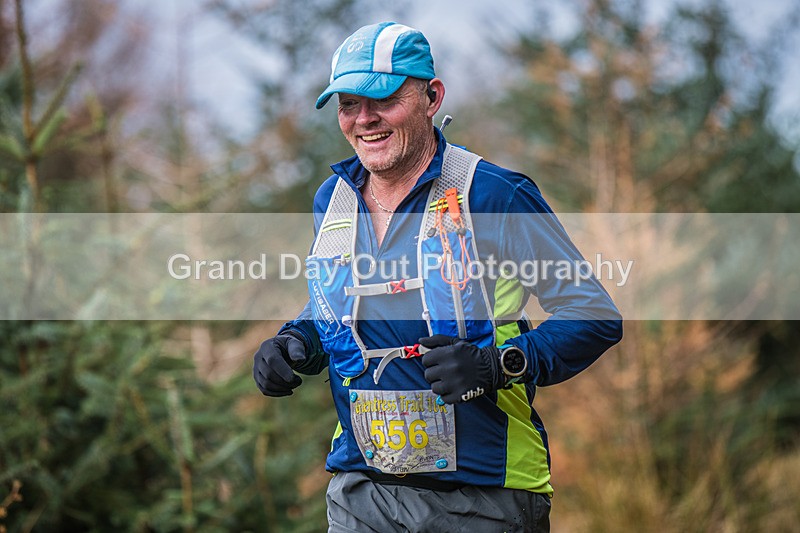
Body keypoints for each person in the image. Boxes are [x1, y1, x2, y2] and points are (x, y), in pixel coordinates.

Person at [253, 21, 622, 532]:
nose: (365, 119)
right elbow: (338, 310)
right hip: (362, 492)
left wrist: (497, 365)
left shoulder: (494, 195)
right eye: (348, 104)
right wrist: (296, 342)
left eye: (383, 99)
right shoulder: (332, 200)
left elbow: (594, 315)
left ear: (432, 97)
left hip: (484, 496)